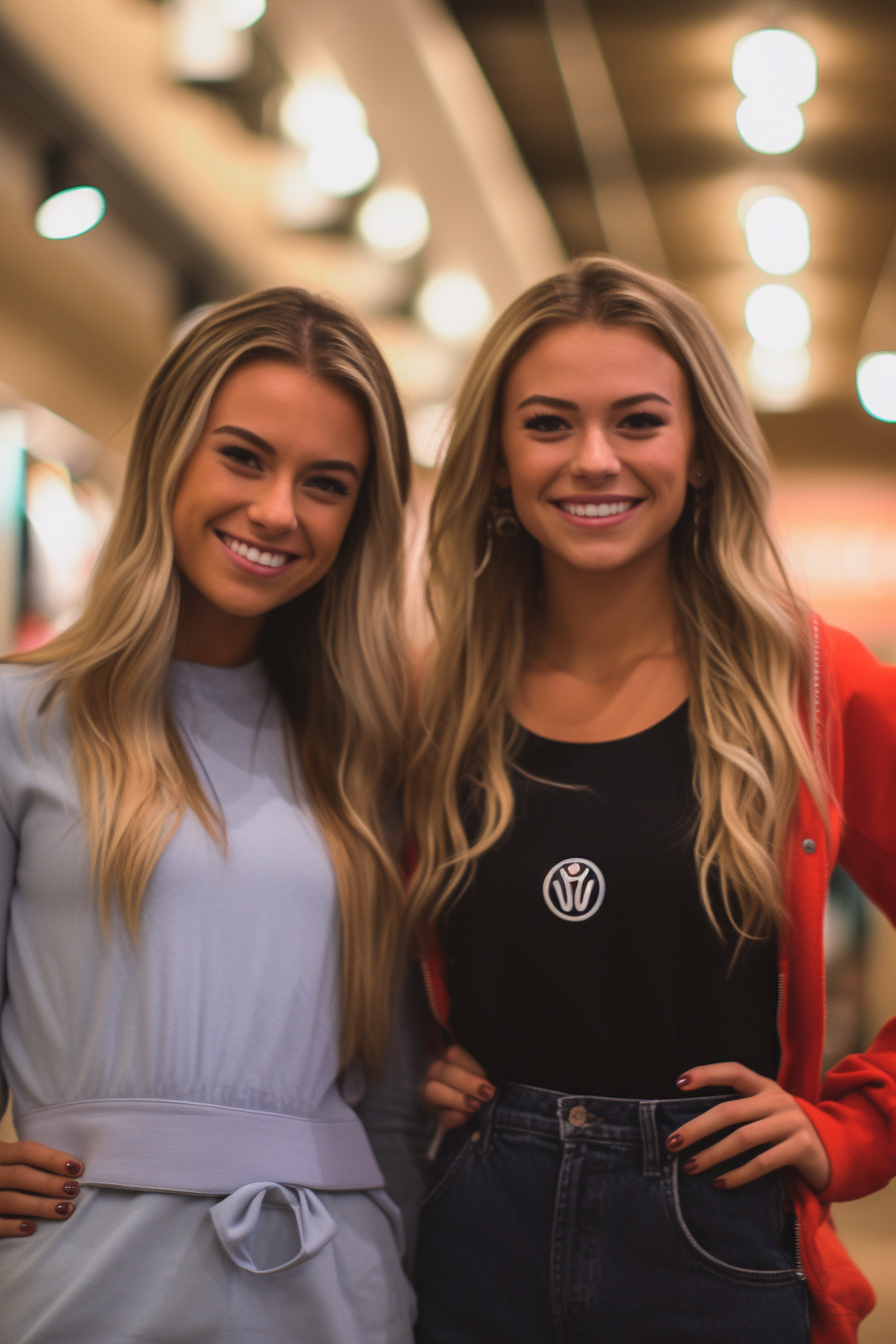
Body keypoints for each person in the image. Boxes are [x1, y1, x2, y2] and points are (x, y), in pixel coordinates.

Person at [406, 256, 896, 1344]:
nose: (592, 460)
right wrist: (404, 1058)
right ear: (493, 460)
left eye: (636, 422)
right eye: (546, 424)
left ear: (701, 454)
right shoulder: (429, 701)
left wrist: (851, 1128)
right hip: (469, 1224)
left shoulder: (811, 688)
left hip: (710, 1233)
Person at [0, 287, 417, 1342]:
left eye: (326, 484)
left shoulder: (374, 753)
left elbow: (394, 1084)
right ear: (170, 458)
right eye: (243, 456)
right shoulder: (22, 719)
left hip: (334, 1281)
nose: (279, 511)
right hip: (81, 1281)